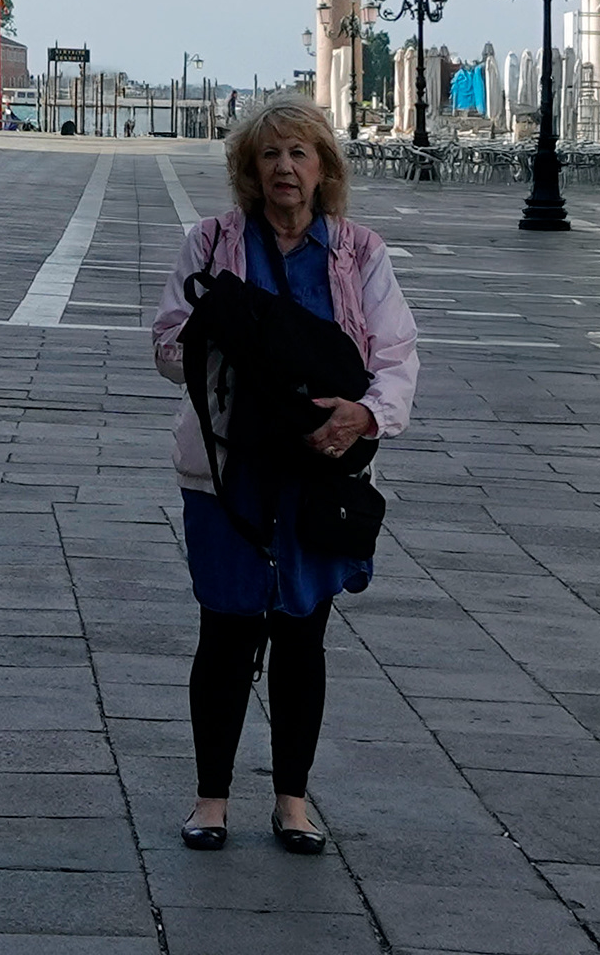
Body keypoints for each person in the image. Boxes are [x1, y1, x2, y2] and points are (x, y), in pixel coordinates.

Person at [150, 101, 418, 855]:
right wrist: (218, 347)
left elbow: (397, 356)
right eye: (269, 156)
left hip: (323, 468)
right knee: (226, 631)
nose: (284, 170)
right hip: (229, 470)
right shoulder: (208, 244)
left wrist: (365, 416)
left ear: (325, 168)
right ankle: (212, 798)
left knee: (304, 634)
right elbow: (168, 347)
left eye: (300, 154)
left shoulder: (361, 253)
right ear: (248, 170)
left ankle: (293, 802)